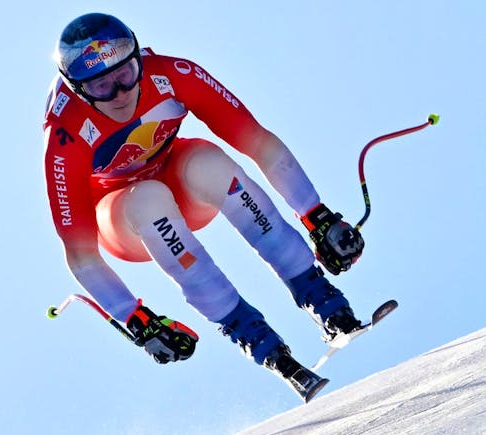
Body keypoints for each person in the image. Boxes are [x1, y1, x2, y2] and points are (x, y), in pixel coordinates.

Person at [42, 13, 365, 402]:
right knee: (148, 200)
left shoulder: (171, 74)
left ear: (137, 59)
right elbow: (81, 255)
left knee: (210, 163)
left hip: (181, 181)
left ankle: (322, 298)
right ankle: (258, 341)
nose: (120, 94)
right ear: (78, 89)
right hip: (124, 218)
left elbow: (257, 141)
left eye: (125, 74)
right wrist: (136, 318)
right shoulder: (65, 134)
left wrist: (315, 213)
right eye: (101, 86)